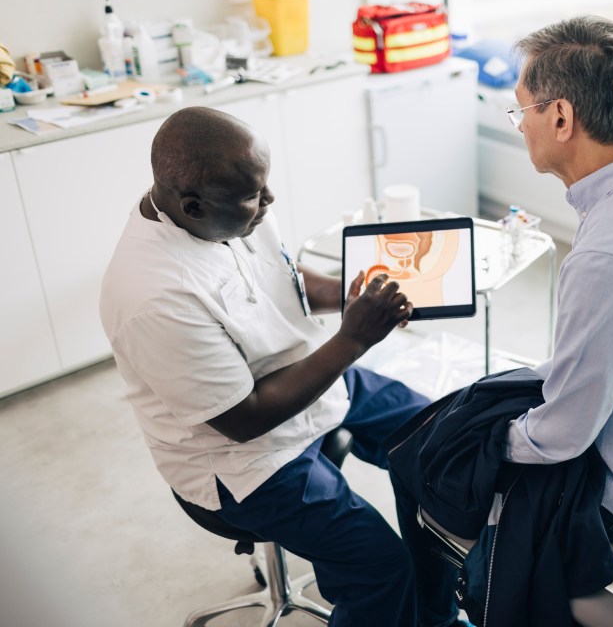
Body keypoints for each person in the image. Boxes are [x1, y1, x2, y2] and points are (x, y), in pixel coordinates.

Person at [393, 14, 613, 624]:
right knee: (468, 409)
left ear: (560, 117)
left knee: (418, 459)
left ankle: (433, 616)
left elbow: (559, 437)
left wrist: (481, 442)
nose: (519, 123)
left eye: (520, 109)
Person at [99, 106, 429, 627]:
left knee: (438, 436)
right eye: (256, 195)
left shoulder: (229, 204)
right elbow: (243, 419)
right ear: (192, 206)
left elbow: (283, 273)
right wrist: (355, 337)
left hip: (310, 381)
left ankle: (433, 614)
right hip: (244, 463)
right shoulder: (152, 296)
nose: (268, 201)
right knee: (380, 566)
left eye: (264, 185)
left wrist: (352, 300)